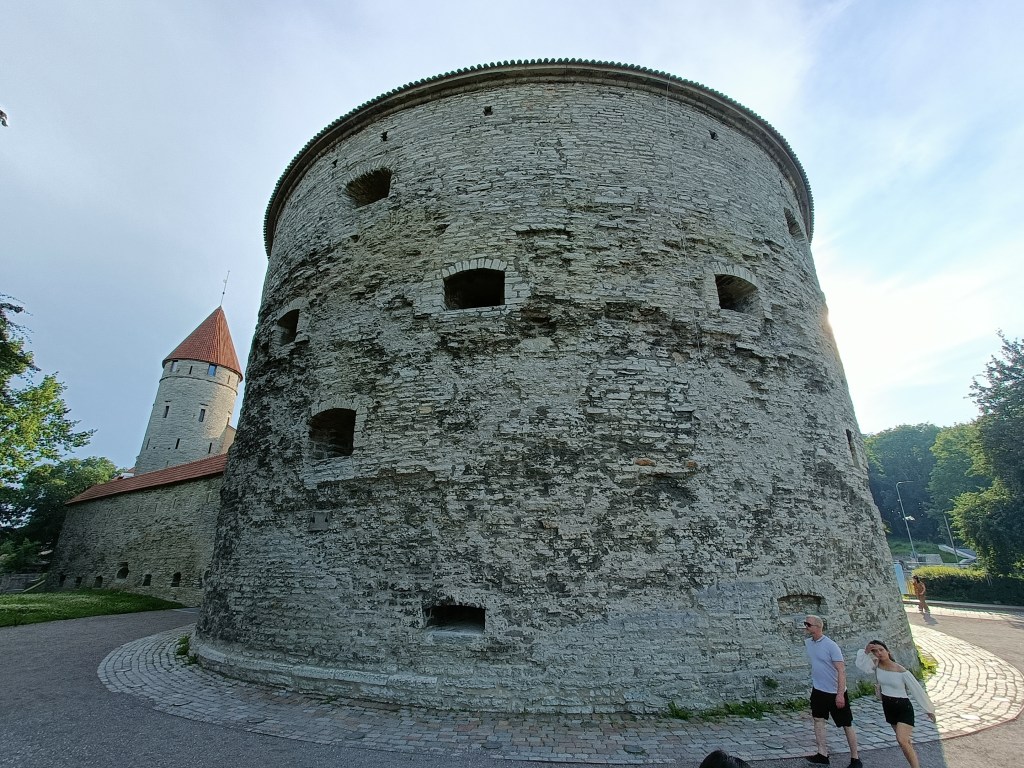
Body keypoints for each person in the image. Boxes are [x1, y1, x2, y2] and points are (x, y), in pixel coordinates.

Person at [856, 639, 935, 768]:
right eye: (875, 651)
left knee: (902, 739)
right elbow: (861, 665)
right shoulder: (876, 665)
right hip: (888, 707)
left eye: (881, 650)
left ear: (887, 651)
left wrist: (929, 710)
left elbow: (917, 690)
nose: (879, 653)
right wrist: (866, 651)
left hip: (903, 707)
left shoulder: (900, 670)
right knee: (905, 742)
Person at [803, 615, 862, 768]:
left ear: (818, 626)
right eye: (805, 624)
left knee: (846, 724)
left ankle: (855, 758)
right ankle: (822, 754)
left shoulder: (831, 646)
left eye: (808, 624)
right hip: (818, 690)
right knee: (818, 720)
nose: (806, 627)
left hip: (835, 691)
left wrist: (840, 694)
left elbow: (841, 670)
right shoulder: (809, 643)